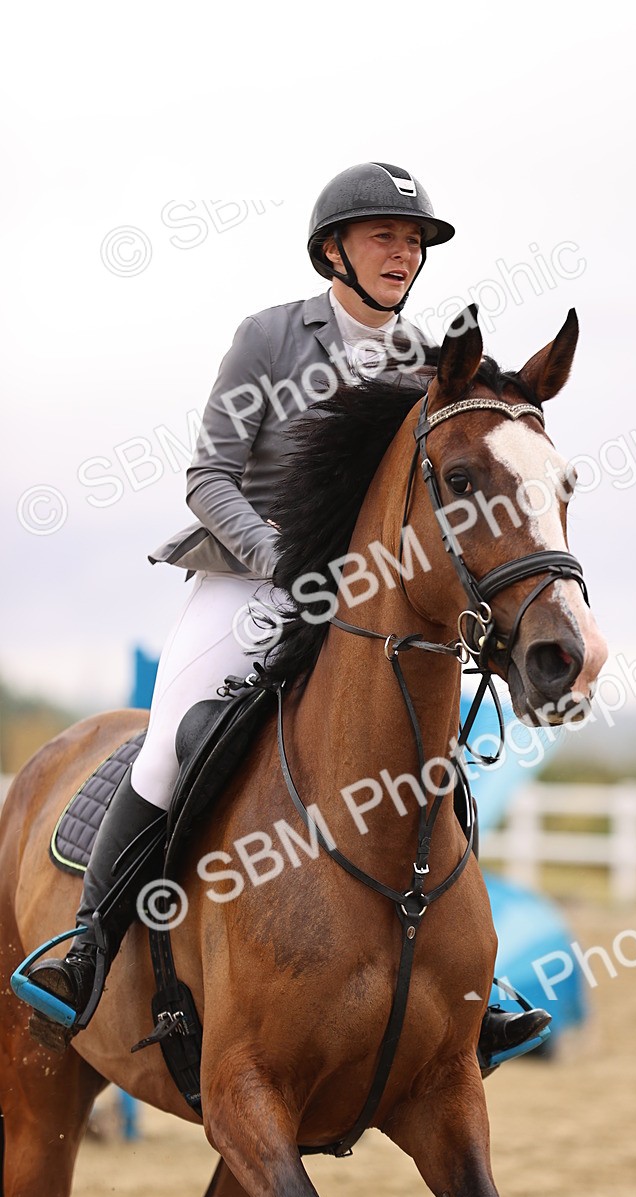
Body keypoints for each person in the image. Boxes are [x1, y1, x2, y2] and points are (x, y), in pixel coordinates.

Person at [25, 162, 549, 1065]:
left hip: (362, 600)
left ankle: (471, 978)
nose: (403, 252)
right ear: (332, 251)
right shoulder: (269, 338)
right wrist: (284, 564)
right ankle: (88, 944)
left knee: (430, 758)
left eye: (414, 239)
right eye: (385, 235)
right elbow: (208, 477)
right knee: (171, 743)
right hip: (246, 581)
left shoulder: (430, 362)